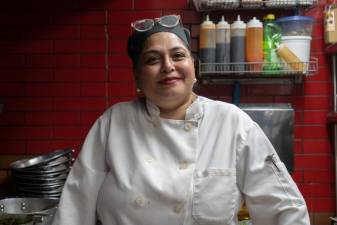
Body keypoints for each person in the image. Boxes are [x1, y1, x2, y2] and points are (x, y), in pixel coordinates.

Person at [51, 14, 310, 225]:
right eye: (152, 59)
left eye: (178, 55)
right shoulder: (113, 123)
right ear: (138, 78)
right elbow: (75, 208)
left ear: (193, 67)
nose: (167, 66)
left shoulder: (231, 123)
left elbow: (285, 210)